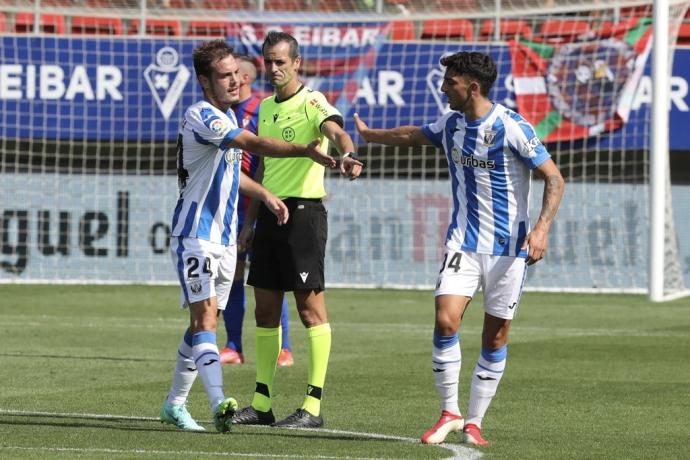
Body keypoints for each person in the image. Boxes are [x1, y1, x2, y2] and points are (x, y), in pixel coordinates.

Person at [354, 51, 564, 446]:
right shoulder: (451, 124)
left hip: (508, 249)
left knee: (495, 336)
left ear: (472, 86)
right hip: (463, 243)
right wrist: (371, 137)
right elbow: (412, 136)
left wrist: (542, 230)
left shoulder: (511, 126)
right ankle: (450, 410)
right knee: (446, 320)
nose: (442, 87)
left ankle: (475, 421)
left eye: (449, 81)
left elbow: (553, 178)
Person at [159, 39, 335, 433]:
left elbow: (232, 174)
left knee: (202, 322)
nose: (236, 81)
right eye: (225, 76)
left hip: (223, 239)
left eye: (238, 74)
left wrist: (265, 195)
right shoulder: (204, 115)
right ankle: (221, 402)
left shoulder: (230, 115)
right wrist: (301, 150)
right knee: (206, 319)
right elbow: (252, 144)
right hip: (196, 235)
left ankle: (174, 403)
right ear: (206, 83)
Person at [231, 31, 363, 429]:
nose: (273, 69)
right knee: (266, 310)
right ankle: (262, 404)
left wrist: (348, 152)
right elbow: (265, 169)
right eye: (268, 62)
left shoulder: (312, 101)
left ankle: (313, 407)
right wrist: (250, 224)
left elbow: (337, 131)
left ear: (297, 63)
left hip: (304, 216)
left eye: (280, 62)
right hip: (270, 214)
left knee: (310, 310)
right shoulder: (266, 108)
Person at [220, 53, 294, 368]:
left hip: (262, 204)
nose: (230, 81)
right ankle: (234, 346)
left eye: (234, 74)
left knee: (271, 279)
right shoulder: (220, 114)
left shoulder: (263, 109)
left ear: (244, 78)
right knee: (232, 274)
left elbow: (270, 156)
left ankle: (284, 348)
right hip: (230, 207)